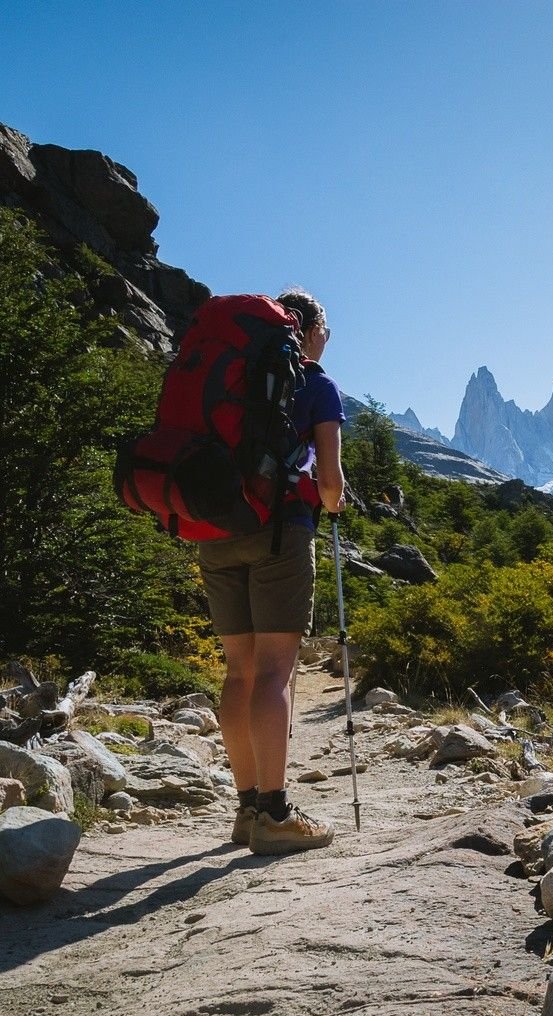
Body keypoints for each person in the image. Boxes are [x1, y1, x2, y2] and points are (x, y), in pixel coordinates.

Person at [198, 287, 344, 854]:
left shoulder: (231, 374)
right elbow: (329, 482)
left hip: (215, 533)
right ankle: (276, 815)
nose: (327, 342)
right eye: (325, 331)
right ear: (307, 330)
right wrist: (333, 503)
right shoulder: (314, 382)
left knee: (238, 672)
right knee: (275, 674)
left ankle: (246, 808)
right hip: (279, 531)